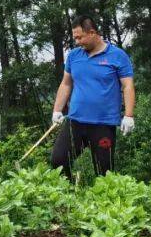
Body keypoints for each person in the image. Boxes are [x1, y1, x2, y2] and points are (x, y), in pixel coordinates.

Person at [50, 16, 135, 179]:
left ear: (92, 32)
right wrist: (57, 110)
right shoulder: (74, 56)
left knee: (104, 173)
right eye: (74, 37)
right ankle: (68, 196)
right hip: (75, 121)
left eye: (79, 37)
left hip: (103, 124)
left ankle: (103, 203)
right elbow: (66, 84)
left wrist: (129, 115)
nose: (76, 41)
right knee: (58, 161)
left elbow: (128, 86)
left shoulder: (117, 56)